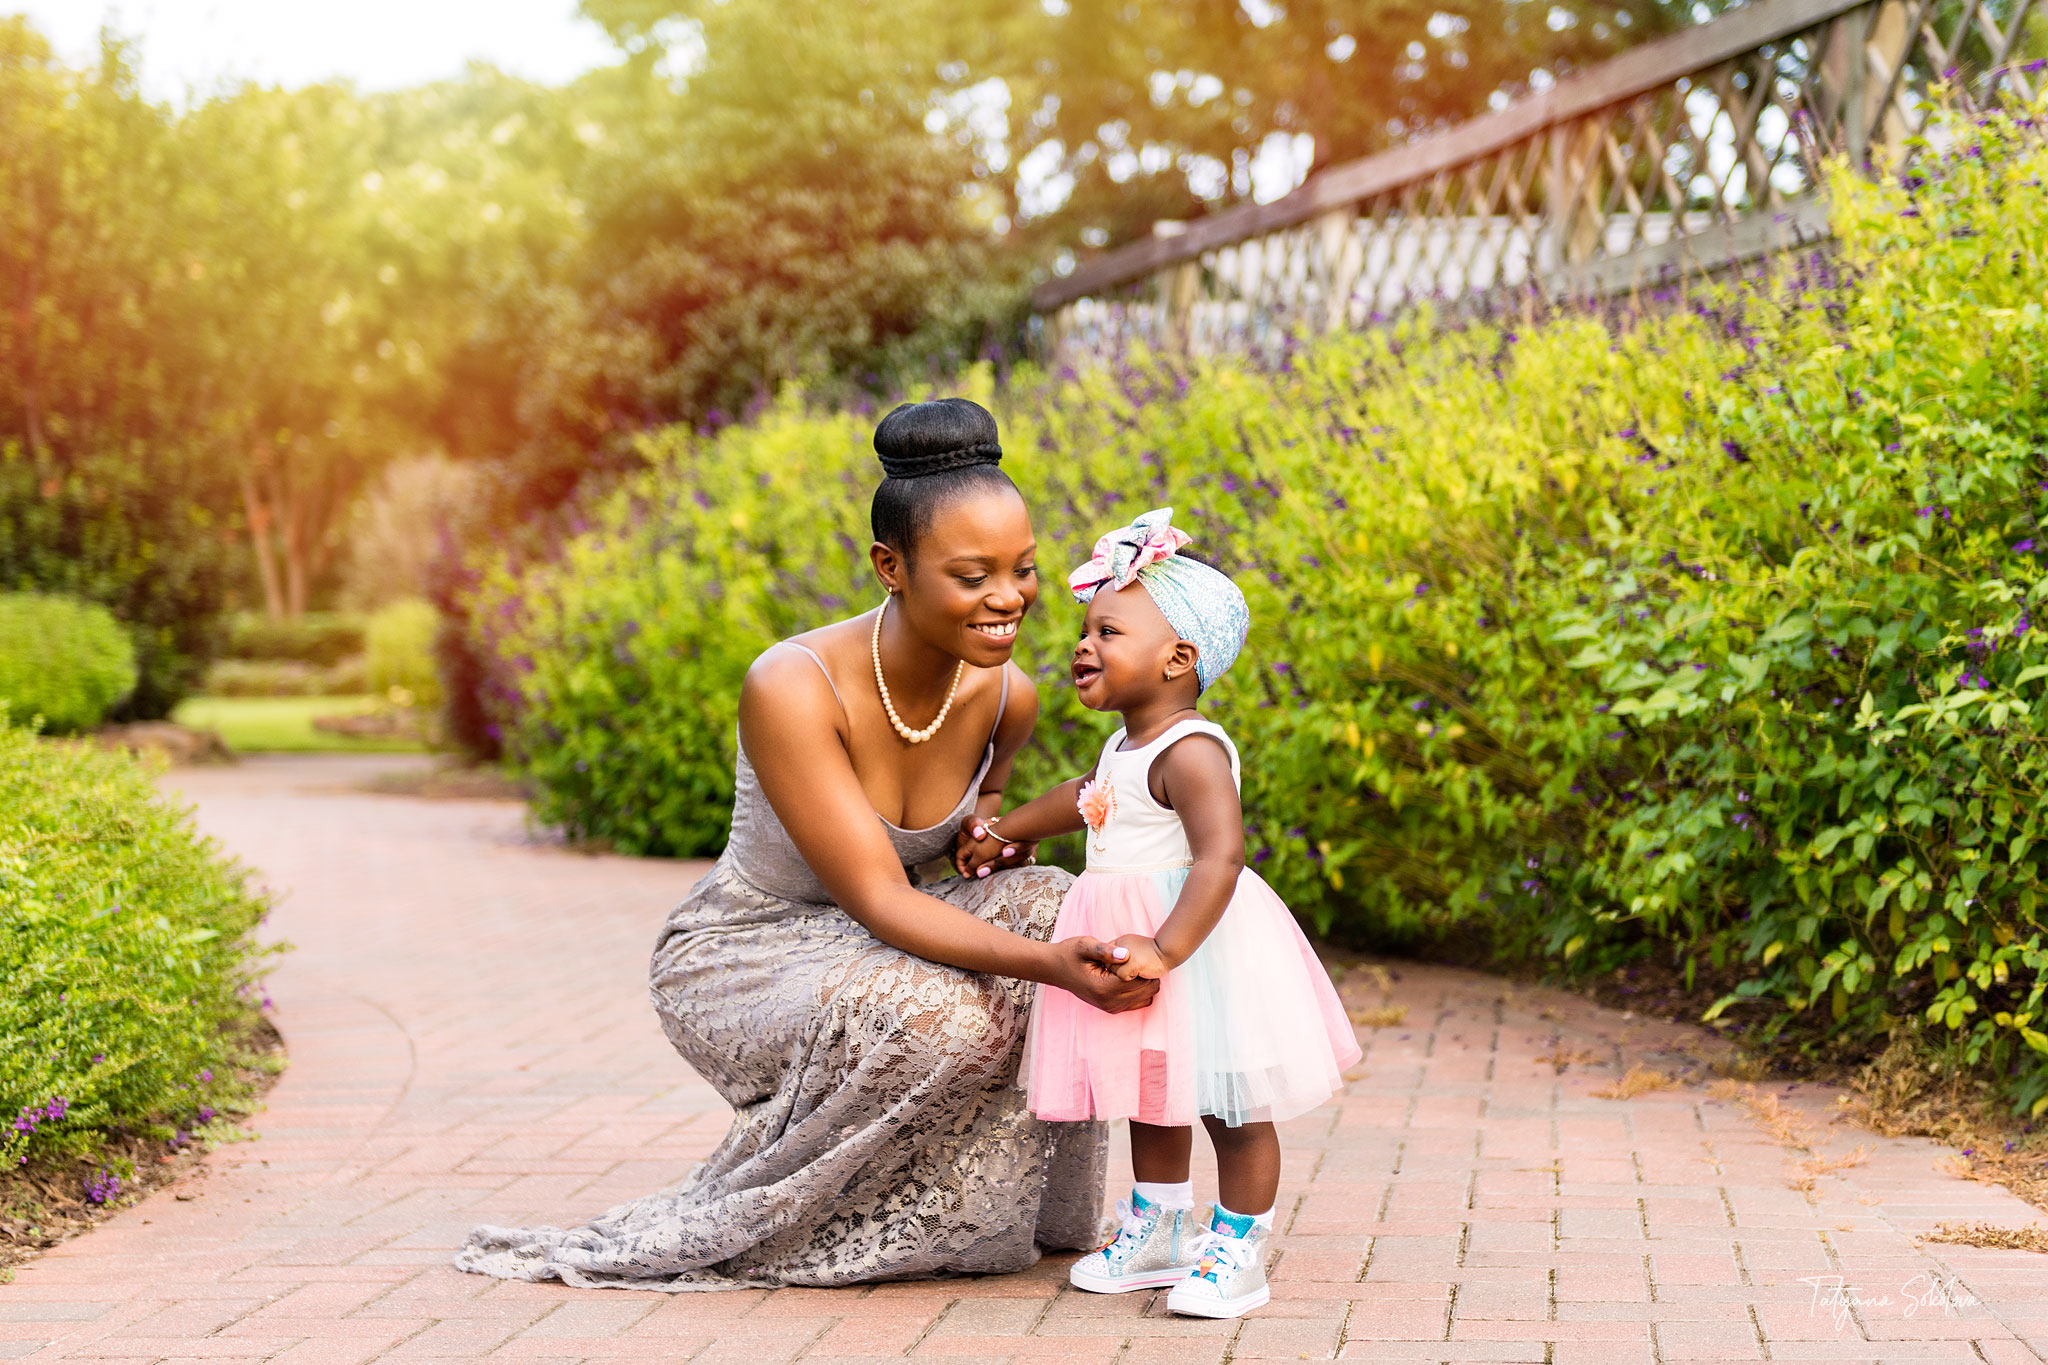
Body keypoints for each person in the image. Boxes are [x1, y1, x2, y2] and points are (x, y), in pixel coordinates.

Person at [455, 398, 1156, 1291]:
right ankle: (838, 1224)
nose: (1009, 598)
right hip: (747, 950)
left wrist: (991, 840)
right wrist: (1053, 966)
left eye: (1023, 569)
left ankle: (1017, 1212)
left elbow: (975, 831)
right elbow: (880, 898)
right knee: (944, 1015)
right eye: (973, 574)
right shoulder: (793, 685)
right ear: (890, 567)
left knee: (1060, 898)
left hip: (879, 940)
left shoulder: (1007, 695)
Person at [956, 507, 1360, 1318]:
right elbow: (1087, 800)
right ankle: (1162, 1225)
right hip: (1140, 944)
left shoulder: (1193, 748)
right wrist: (1005, 828)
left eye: (1108, 631)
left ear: (1178, 657)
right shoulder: (1125, 746)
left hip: (1199, 947)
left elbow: (1221, 857)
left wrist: (1168, 948)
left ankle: (1237, 1247)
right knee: (1156, 1090)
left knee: (1227, 1102)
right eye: (1085, 629)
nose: (1082, 645)